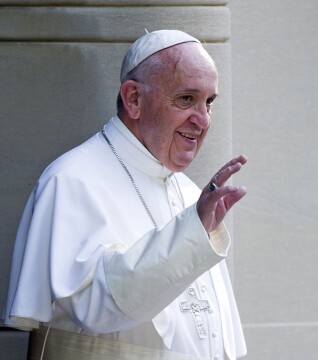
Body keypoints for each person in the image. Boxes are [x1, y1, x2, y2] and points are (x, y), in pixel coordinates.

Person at [2, 30, 247, 360]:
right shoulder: (71, 180)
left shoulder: (192, 194)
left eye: (209, 102)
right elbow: (96, 309)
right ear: (133, 99)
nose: (202, 120)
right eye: (186, 99)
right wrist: (192, 233)